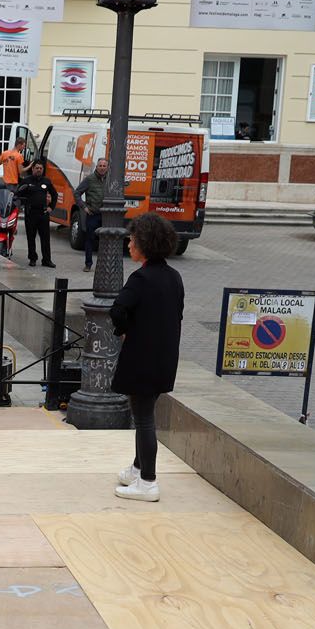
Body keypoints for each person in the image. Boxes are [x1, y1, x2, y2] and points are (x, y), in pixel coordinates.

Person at [108, 213, 184, 504]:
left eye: (132, 239)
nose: (129, 243)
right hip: (165, 355)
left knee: (143, 420)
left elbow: (118, 309)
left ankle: (148, 482)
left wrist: (125, 331)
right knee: (146, 412)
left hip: (142, 356)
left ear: (144, 244)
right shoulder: (173, 277)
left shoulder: (140, 278)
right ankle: (138, 468)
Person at [17, 160, 59, 268]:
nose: (39, 170)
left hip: (43, 213)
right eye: (37, 168)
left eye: (41, 168)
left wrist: (51, 207)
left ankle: (47, 260)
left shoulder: (47, 181)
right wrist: (21, 205)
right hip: (31, 213)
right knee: (31, 237)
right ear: (33, 169)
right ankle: (32, 258)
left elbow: (55, 195)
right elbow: (18, 194)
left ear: (43, 169)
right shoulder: (26, 181)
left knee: (45, 238)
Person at [79, 162, 106, 272]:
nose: (102, 168)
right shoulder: (90, 179)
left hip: (106, 215)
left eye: (104, 166)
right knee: (90, 239)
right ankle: (88, 264)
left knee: (106, 240)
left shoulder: (110, 179)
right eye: (100, 166)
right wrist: (84, 207)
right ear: (97, 167)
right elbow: (77, 193)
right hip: (93, 214)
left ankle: (103, 265)